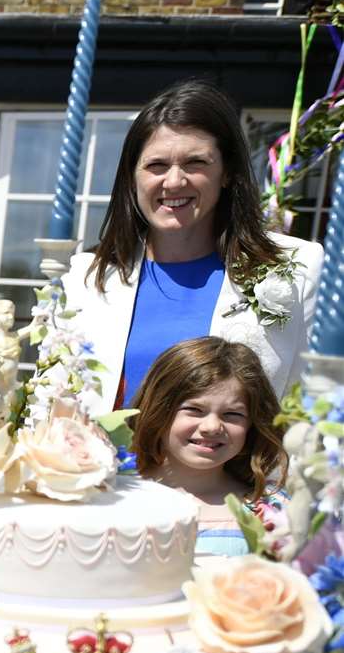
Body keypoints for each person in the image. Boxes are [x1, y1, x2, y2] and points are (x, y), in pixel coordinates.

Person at [63, 79, 323, 410]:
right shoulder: (87, 277)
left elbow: (316, 401)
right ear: (132, 177)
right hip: (110, 462)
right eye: (156, 165)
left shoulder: (296, 268)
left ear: (226, 172)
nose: (174, 181)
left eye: (195, 163)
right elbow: (57, 402)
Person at [130, 336, 287, 557]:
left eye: (232, 414)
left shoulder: (271, 510)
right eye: (194, 410)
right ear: (159, 410)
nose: (212, 427)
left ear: (252, 424)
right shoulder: (115, 495)